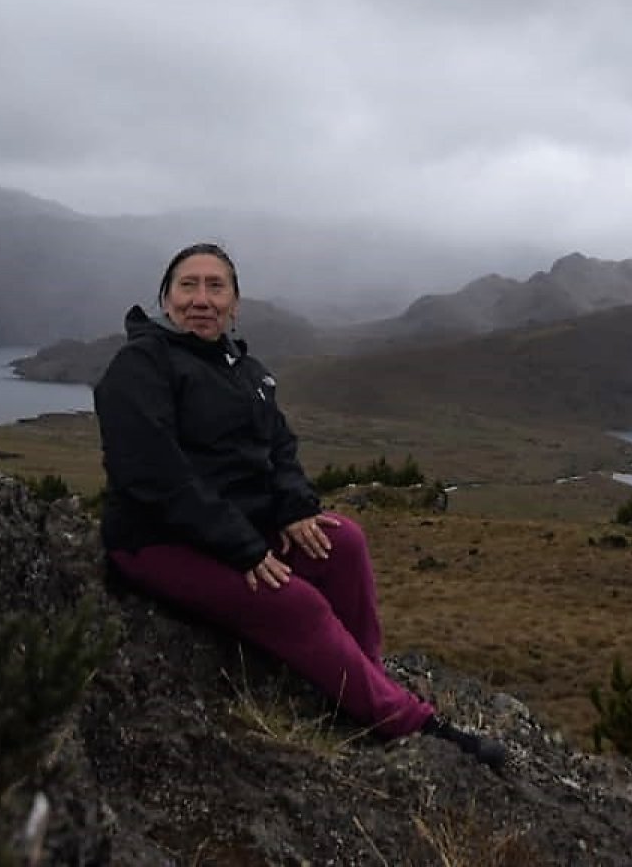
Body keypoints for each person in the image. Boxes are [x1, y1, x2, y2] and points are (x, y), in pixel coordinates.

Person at [95, 242, 504, 766]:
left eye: (215, 287)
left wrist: (293, 506)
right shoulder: (141, 364)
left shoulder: (244, 369)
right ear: (165, 299)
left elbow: (278, 447)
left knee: (345, 542)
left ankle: (363, 680)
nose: (202, 299)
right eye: (188, 286)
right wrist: (242, 547)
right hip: (159, 539)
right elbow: (153, 472)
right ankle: (404, 722)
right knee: (297, 603)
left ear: (235, 304)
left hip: (236, 531)